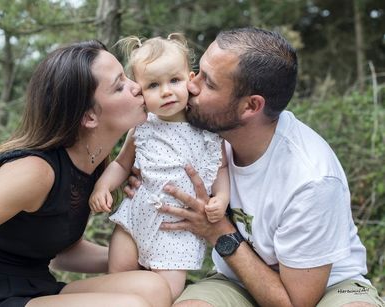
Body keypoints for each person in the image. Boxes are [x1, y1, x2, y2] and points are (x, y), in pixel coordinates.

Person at [127, 28, 385, 307]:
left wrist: (217, 231)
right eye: (196, 72)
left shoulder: (311, 178)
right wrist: (145, 185)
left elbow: (296, 303)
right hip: (235, 280)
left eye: (208, 83)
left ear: (251, 106)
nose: (190, 85)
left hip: (330, 288)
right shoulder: (201, 134)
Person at [0, 40, 172, 307]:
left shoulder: (93, 165)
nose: (137, 87)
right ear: (89, 116)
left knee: (152, 288)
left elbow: (64, 253)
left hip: (33, 287)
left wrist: (137, 257)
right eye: (120, 86)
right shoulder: (34, 171)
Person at [89, 33, 230, 300]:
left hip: (176, 230)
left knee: (166, 293)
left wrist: (221, 198)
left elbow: (219, 169)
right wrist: (103, 186)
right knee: (119, 282)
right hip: (134, 221)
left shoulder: (206, 129)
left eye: (174, 80)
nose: (165, 91)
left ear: (190, 79)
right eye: (153, 85)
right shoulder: (142, 126)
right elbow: (121, 164)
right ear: (140, 91)